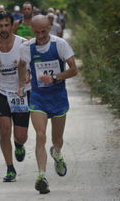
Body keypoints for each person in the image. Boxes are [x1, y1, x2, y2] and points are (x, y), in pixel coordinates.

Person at [18, 14, 77, 194]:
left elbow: (74, 70)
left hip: (58, 97)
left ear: (49, 28)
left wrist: (55, 77)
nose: (41, 35)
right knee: (40, 135)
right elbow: (21, 65)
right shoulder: (27, 47)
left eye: (44, 31)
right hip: (38, 97)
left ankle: (57, 154)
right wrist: (22, 82)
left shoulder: (59, 44)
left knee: (56, 140)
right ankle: (41, 176)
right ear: (32, 31)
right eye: (37, 32)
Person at [0, 11, 30, 182]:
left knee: (20, 135)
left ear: (12, 25)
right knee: (4, 130)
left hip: (20, 93)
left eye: (7, 25)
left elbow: (32, 66)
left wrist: (28, 75)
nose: (4, 29)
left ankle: (19, 145)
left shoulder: (23, 44)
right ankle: (10, 168)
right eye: (0, 26)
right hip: (1, 92)